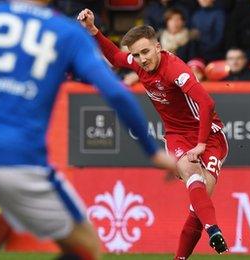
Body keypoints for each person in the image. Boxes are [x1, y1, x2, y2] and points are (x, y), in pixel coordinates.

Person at [0, 1, 178, 260]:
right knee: (86, 249)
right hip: (21, 162)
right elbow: (115, 92)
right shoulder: (66, 32)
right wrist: (152, 152)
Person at [78, 9, 229, 258]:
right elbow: (116, 56)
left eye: (146, 52)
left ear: (158, 47)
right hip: (177, 135)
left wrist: (201, 144)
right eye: (136, 55)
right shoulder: (139, 64)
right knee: (193, 179)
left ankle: (192, 245)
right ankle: (213, 230)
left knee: (197, 207)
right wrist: (94, 31)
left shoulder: (175, 70)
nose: (142, 59)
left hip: (209, 135)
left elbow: (206, 103)